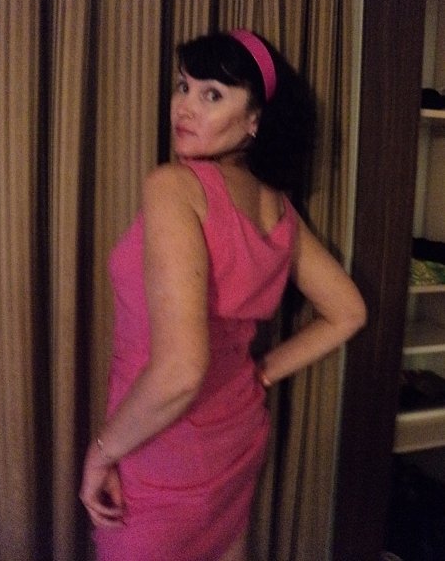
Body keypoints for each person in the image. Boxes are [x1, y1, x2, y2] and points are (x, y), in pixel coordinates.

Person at [79, 29, 367, 561]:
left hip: (163, 446)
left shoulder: (174, 186)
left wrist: (100, 454)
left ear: (255, 120)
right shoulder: (277, 207)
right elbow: (348, 311)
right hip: (234, 436)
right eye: (183, 86)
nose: (184, 107)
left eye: (212, 94)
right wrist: (259, 374)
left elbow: (180, 371)